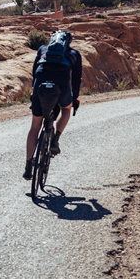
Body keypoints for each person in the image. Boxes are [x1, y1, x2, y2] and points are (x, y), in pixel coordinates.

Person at [24, 29, 82, 180]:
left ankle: (28, 166)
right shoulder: (74, 54)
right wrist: (74, 98)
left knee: (35, 127)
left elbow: (34, 70)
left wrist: (33, 91)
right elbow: (76, 79)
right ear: (68, 42)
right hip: (62, 85)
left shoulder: (43, 49)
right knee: (66, 110)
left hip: (40, 83)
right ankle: (55, 139)